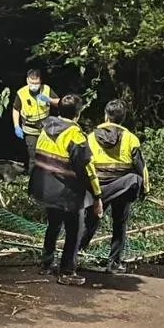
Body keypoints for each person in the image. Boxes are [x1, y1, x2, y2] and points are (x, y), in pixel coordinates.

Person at [29, 94, 104, 286]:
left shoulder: (45, 128)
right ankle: (67, 272)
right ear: (78, 114)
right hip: (66, 192)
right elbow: (87, 169)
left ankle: (46, 264)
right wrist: (97, 196)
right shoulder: (75, 135)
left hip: (46, 187)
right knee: (74, 230)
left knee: (53, 225)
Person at [78, 99, 149, 274]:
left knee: (90, 221)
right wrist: (145, 188)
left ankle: (76, 253)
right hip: (122, 187)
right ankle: (114, 263)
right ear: (123, 118)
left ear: (105, 115)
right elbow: (141, 167)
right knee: (120, 223)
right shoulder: (131, 138)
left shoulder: (91, 137)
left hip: (98, 188)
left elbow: (85, 163)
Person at [12, 69, 60, 172]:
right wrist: (16, 126)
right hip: (30, 130)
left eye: (36, 83)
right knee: (33, 157)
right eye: (32, 83)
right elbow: (16, 109)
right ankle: (32, 182)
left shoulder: (46, 89)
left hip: (46, 129)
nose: (34, 85)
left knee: (48, 155)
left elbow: (59, 102)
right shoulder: (22, 93)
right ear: (27, 81)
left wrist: (49, 100)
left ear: (40, 81)